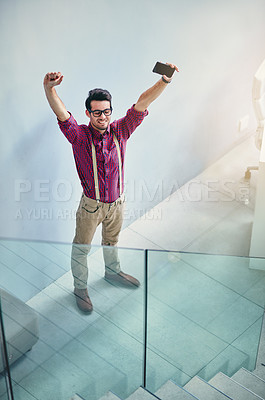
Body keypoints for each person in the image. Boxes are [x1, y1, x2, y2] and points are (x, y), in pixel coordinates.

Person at [43, 63, 179, 313]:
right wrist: (49, 88)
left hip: (117, 202)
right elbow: (62, 114)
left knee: (112, 241)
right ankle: (80, 288)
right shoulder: (79, 136)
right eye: (97, 113)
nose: (103, 117)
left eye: (106, 111)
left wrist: (165, 80)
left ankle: (112, 272)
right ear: (88, 114)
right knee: (81, 248)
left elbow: (142, 103)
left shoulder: (121, 130)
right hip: (91, 207)